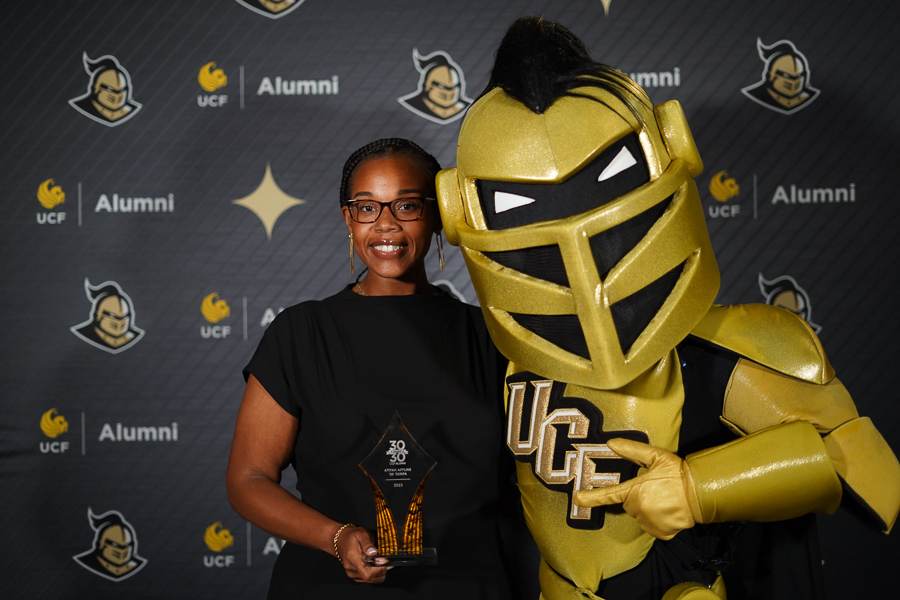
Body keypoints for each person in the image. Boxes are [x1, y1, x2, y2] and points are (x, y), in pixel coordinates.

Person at [435, 17, 899, 600]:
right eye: (522, 204)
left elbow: (864, 472)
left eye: (607, 178)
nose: (575, 242)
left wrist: (700, 488)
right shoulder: (500, 352)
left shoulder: (724, 348)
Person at [226, 138, 523, 598]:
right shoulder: (301, 334)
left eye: (406, 205)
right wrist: (336, 537)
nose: (386, 225)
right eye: (366, 208)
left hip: (471, 586)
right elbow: (248, 480)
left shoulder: (491, 335)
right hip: (329, 586)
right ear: (348, 218)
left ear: (437, 213)